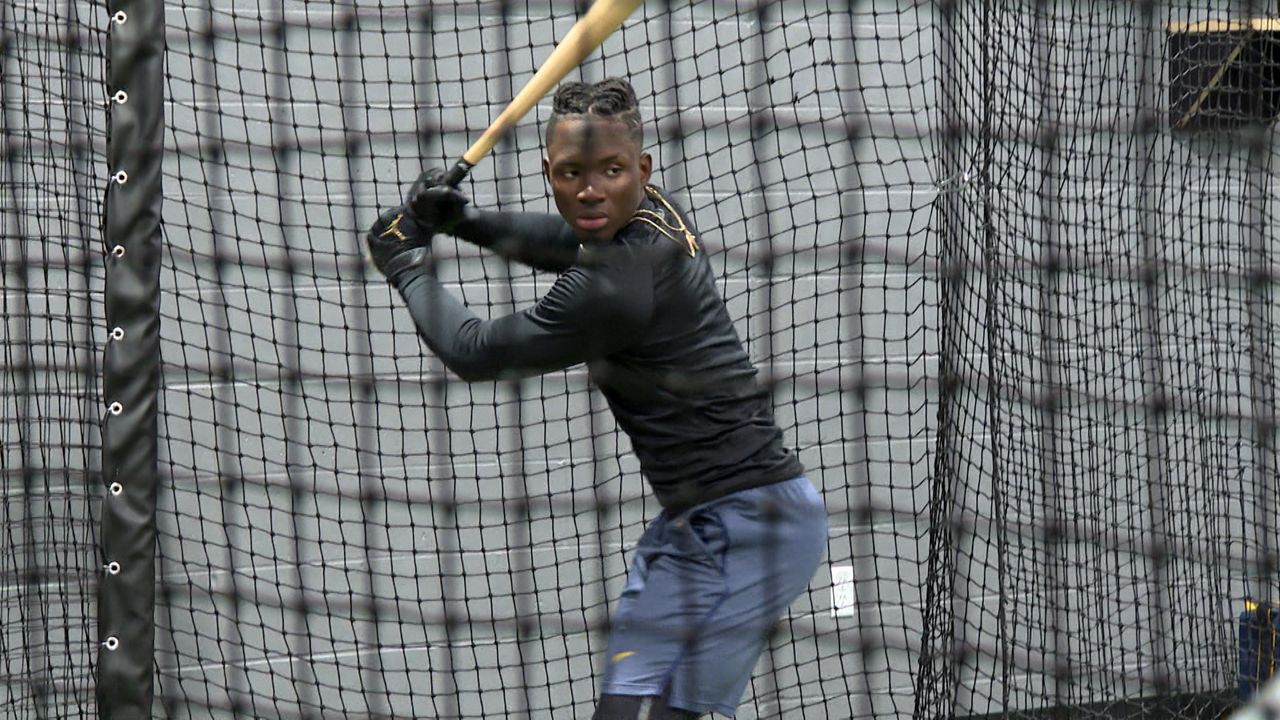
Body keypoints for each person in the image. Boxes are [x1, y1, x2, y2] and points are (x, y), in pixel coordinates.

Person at [366, 78, 827, 720]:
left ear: (640, 168)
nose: (589, 191)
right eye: (571, 173)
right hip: (690, 524)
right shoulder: (647, 213)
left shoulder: (615, 289)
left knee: (671, 714)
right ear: (547, 171)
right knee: (618, 711)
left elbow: (476, 351)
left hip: (760, 527)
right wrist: (463, 222)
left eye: (610, 172)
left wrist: (404, 263)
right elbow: (569, 240)